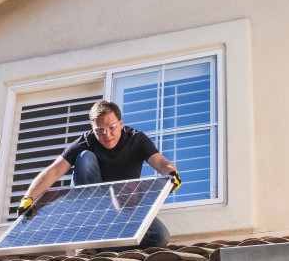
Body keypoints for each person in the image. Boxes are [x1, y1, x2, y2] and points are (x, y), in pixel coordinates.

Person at [16, 100, 181, 252]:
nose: (107, 135)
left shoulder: (136, 139)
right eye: (100, 130)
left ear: (121, 123)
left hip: (126, 205)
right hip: (95, 207)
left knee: (159, 236)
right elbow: (54, 171)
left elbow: (160, 163)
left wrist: (172, 175)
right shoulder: (86, 141)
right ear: (92, 128)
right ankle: (90, 232)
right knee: (84, 157)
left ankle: (101, 249)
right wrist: (28, 198)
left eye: (111, 128)